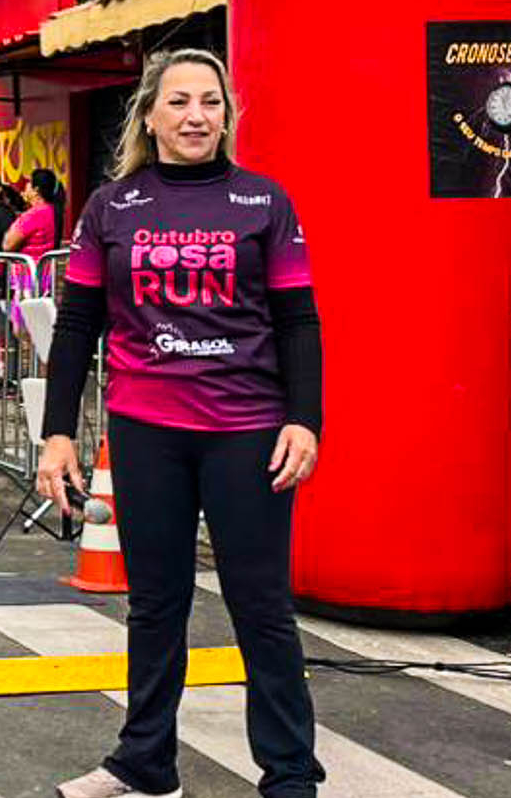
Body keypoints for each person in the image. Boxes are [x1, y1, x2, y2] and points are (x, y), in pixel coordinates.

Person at [37, 48, 324, 798]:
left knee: (260, 604)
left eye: (211, 101)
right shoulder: (112, 206)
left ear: (227, 115)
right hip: (146, 429)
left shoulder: (264, 201)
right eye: (180, 102)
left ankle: (291, 774)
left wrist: (305, 419)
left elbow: (298, 320)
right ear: (151, 115)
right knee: (155, 602)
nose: (196, 115)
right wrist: (57, 431)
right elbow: (76, 326)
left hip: (247, 431)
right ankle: (144, 763)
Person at [6, 167, 66, 259]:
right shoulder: (51, 210)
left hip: (28, 271)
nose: (25, 185)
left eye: (29, 182)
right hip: (45, 270)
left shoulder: (33, 215)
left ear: (36, 190)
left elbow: (8, 245)